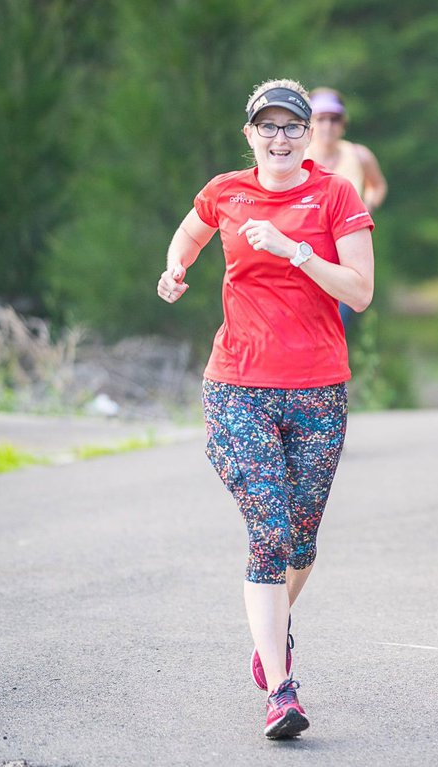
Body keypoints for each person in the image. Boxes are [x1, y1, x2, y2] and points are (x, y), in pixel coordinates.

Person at [156, 78, 375, 738]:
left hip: (318, 386)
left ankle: (269, 633)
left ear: (309, 136)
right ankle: (281, 688)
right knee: (271, 528)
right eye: (267, 126)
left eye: (292, 126)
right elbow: (189, 235)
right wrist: (175, 269)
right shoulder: (226, 190)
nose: (280, 137)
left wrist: (300, 252)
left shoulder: (335, 194)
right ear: (249, 133)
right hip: (238, 384)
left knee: (300, 541)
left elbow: (360, 292)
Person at [304, 87, 387, 328]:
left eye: (334, 119)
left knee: (336, 319)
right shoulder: (298, 157)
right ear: (309, 123)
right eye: (321, 118)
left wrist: (367, 205)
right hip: (308, 247)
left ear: (343, 123)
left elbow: (378, 185)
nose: (328, 125)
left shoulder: (359, 155)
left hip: (347, 250)